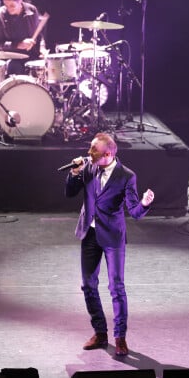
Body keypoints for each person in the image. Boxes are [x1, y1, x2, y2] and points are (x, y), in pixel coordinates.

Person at [64, 132, 155, 356]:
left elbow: (134, 211)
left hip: (113, 236)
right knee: (88, 285)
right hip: (90, 233)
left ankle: (120, 336)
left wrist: (144, 203)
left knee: (116, 287)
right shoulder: (88, 167)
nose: (88, 152)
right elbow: (70, 193)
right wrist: (74, 173)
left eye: (93, 149)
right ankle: (100, 332)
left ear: (108, 154)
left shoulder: (126, 176)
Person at [0, 0, 47, 75]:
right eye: (6, 5)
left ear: (20, 0)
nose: (9, 9)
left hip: (32, 56)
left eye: (12, 5)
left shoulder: (32, 10)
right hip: (12, 58)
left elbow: (39, 35)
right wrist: (18, 45)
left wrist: (42, 48)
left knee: (46, 66)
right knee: (15, 67)